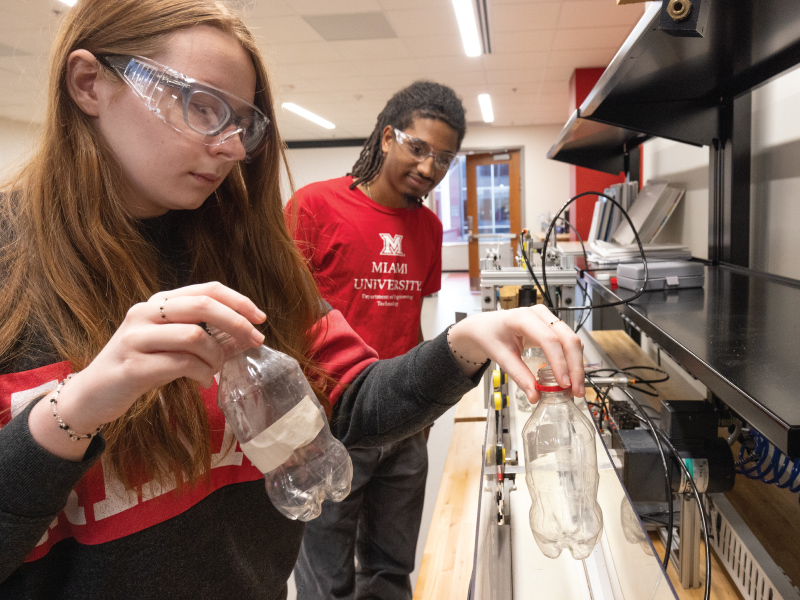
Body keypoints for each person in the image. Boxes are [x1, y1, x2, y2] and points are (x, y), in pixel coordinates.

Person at [0, 1, 586, 599]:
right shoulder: (11, 267)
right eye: (201, 107)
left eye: (243, 123)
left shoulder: (246, 255)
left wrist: (461, 344)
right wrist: (77, 411)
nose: (231, 147)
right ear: (89, 83)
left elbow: (348, 401)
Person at [288, 81, 465, 600]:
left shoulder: (429, 228)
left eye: (444, 158)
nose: (430, 168)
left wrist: (425, 409)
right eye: (419, 148)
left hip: (405, 421)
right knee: (327, 579)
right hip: (331, 420)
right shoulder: (313, 207)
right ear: (388, 137)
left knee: (390, 570)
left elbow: (410, 321)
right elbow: (278, 319)